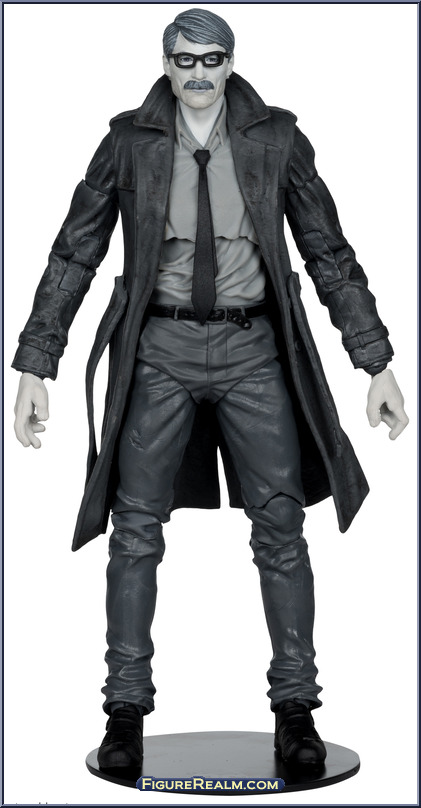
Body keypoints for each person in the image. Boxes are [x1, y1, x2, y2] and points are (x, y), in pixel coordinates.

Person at [12, 8, 408, 773]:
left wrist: (374, 362)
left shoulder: (275, 139)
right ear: (165, 64)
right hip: (157, 349)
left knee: (280, 526)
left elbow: (328, 252)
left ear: (231, 61)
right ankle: (124, 710)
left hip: (251, 349)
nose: (197, 72)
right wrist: (37, 362)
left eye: (211, 58)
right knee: (134, 529)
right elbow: (74, 252)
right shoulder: (128, 141)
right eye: (184, 59)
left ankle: (295, 709)